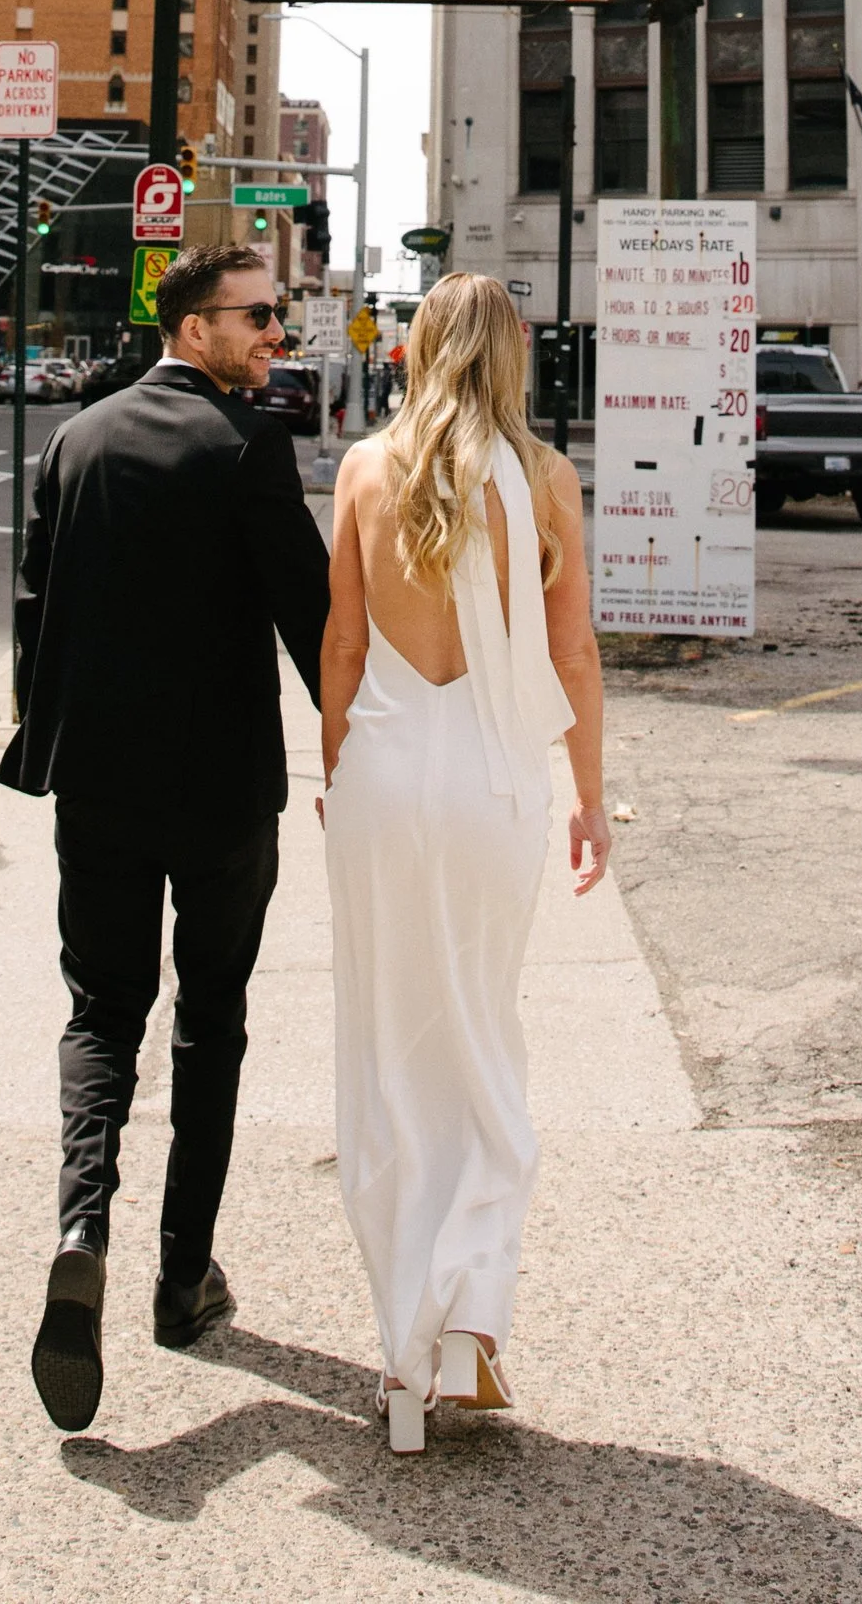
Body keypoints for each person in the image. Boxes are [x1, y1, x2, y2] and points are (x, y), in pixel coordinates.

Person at [0, 239, 329, 1435]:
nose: (276, 337)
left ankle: (80, 1225)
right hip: (221, 789)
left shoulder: (74, 439)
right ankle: (182, 1277)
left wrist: (43, 737)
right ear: (195, 328)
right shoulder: (246, 446)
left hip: (94, 780)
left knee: (99, 1013)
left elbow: (33, 606)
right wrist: (361, 750)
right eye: (260, 319)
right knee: (210, 1021)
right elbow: (315, 618)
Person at [320, 272, 608, 1453]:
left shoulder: (362, 470)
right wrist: (591, 795)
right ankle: (467, 1324)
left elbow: (342, 640)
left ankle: (401, 1352)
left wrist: (336, 773)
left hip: (387, 773)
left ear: (418, 349)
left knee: (387, 1047)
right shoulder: (544, 480)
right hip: (493, 784)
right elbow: (574, 650)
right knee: (483, 1040)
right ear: (512, 357)